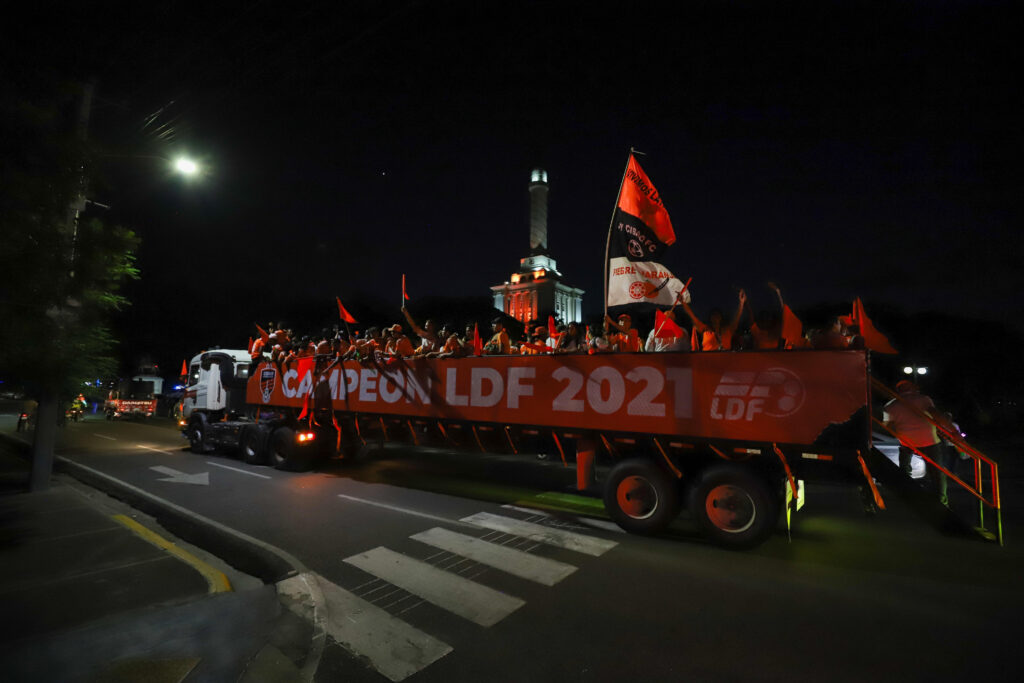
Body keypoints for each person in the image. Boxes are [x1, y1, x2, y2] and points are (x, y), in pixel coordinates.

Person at [883, 380, 952, 506]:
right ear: (913, 388)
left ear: (898, 390)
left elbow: (887, 426)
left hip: (907, 442)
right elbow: (934, 414)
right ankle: (941, 500)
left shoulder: (890, 406)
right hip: (929, 440)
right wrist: (950, 429)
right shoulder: (924, 399)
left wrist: (900, 434)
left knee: (904, 468)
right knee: (937, 472)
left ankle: (906, 493)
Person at [681, 289, 745, 351]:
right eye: (713, 315)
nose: (715, 317)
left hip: (725, 360)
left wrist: (741, 303)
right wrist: (683, 302)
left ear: (721, 318)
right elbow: (692, 316)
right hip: (708, 360)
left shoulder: (727, 330)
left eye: (717, 315)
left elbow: (737, 318)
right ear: (710, 318)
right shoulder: (705, 330)